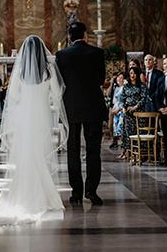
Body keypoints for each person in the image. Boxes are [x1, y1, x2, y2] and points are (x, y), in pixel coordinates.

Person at [0, 35, 68, 225]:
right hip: (43, 118)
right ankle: (45, 196)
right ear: (41, 52)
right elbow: (56, 94)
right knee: (41, 154)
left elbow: (12, 97)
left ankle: (25, 194)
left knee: (26, 156)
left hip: (25, 119)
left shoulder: (21, 72)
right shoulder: (49, 71)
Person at [56, 22, 107, 206]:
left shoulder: (61, 55)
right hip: (93, 105)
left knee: (73, 151)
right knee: (94, 150)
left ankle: (76, 192)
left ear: (69, 37)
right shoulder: (97, 53)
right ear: (85, 35)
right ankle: (92, 191)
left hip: (71, 108)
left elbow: (59, 83)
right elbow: (101, 79)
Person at [119, 66, 144, 161]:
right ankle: (130, 154)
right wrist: (124, 108)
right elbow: (122, 99)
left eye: (134, 73)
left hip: (138, 113)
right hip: (128, 114)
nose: (132, 75)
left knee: (137, 133)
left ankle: (138, 155)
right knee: (128, 134)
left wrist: (135, 107)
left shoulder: (141, 86)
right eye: (131, 73)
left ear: (137, 74)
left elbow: (143, 98)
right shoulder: (126, 86)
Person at [108, 72, 125, 149]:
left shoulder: (124, 88)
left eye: (121, 77)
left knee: (121, 129)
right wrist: (111, 83)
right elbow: (108, 95)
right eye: (118, 77)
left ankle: (123, 148)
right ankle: (115, 142)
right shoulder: (116, 87)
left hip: (121, 110)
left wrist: (119, 109)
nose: (119, 79)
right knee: (113, 127)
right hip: (114, 108)